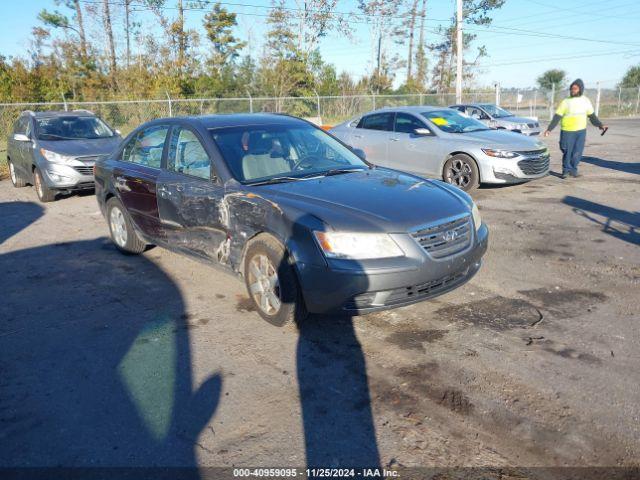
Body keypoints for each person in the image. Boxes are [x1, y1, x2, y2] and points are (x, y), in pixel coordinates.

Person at [543, 78, 607, 179]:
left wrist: (600, 125)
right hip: (567, 131)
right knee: (567, 150)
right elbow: (557, 116)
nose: (573, 90)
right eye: (572, 89)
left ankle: (573, 170)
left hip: (580, 131)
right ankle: (565, 171)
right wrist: (549, 129)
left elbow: (592, 116)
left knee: (577, 152)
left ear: (580, 89)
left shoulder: (586, 101)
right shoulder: (566, 102)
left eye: (575, 89)